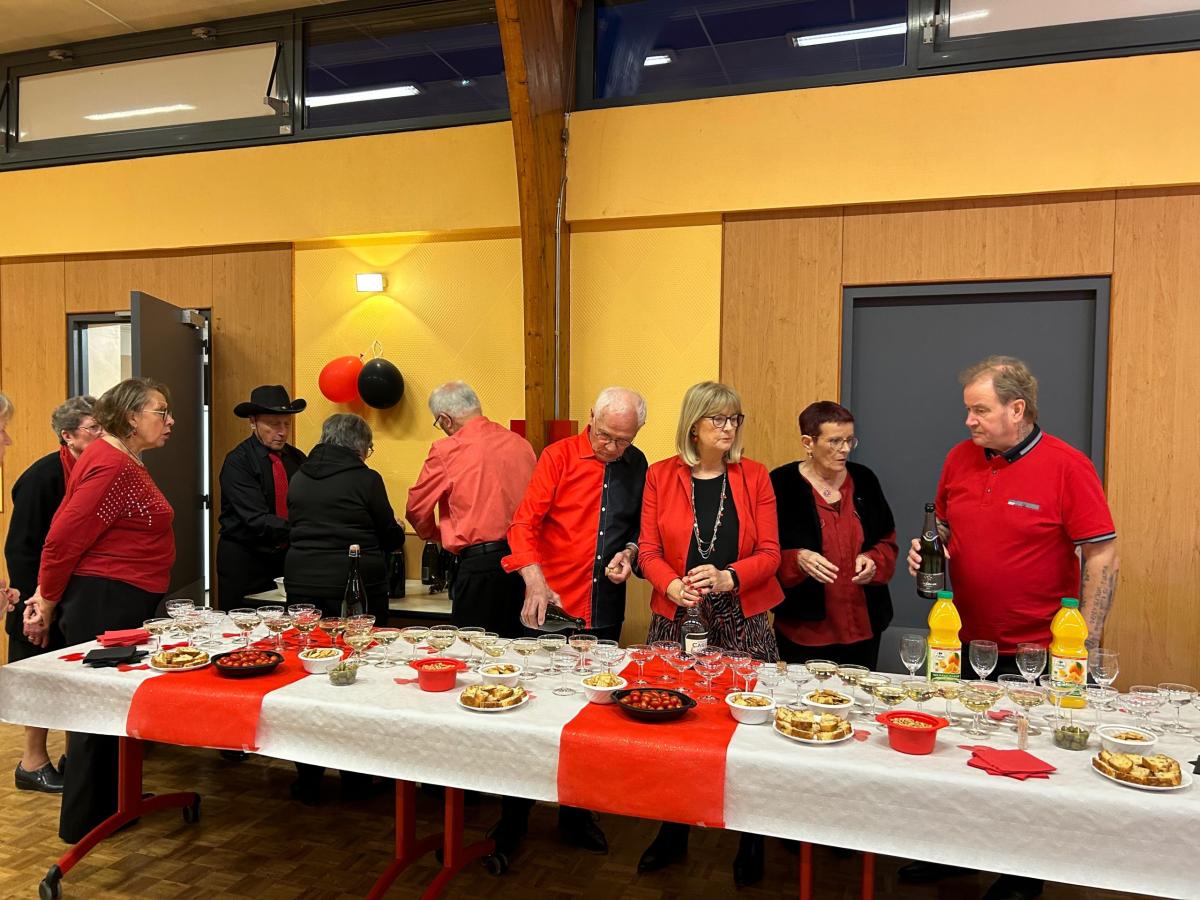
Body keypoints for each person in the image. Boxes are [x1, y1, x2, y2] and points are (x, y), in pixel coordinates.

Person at [902, 356, 1118, 900]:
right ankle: (953, 855)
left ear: (1016, 409)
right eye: (968, 410)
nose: (968, 421)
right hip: (959, 641)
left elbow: (1102, 555)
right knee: (957, 753)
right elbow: (945, 525)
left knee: (1023, 765)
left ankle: (1021, 874)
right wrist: (926, 547)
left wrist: (1087, 645)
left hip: (1036, 650)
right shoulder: (959, 458)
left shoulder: (1068, 466)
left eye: (980, 410)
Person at [635, 381, 783, 887]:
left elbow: (771, 553)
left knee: (747, 725)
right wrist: (671, 585)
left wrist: (729, 577)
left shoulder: (754, 476)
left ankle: (751, 839)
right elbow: (648, 550)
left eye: (734, 419)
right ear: (693, 425)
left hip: (742, 614)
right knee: (674, 723)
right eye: (718, 419)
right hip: (677, 615)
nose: (728, 428)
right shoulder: (660, 475)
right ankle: (672, 830)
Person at [494, 386, 649, 859]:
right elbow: (523, 524)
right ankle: (512, 818)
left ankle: (576, 814)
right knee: (532, 715)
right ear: (591, 419)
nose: (612, 447)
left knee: (592, 717)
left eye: (623, 440)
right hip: (552, 607)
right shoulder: (558, 457)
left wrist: (629, 553)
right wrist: (534, 581)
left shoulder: (637, 464)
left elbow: (639, 529)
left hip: (603, 610)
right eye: (605, 436)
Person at [22, 378, 176, 844]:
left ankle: (114, 804)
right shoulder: (112, 463)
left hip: (119, 596)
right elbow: (62, 537)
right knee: (95, 711)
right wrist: (45, 601)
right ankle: (85, 821)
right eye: (161, 412)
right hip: (104, 599)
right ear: (131, 417)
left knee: (111, 709)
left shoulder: (121, 458)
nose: (169, 421)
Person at [284, 413, 404, 805]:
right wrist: (396, 528)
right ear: (359, 447)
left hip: (302, 582)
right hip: (354, 586)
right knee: (357, 675)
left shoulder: (299, 476)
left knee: (307, 675)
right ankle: (356, 777)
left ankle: (307, 777)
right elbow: (389, 536)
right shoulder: (366, 479)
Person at [5, 396, 100, 794]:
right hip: (35, 595)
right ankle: (32, 763)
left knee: (70, 680)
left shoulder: (97, 470)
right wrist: (37, 608)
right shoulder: (42, 476)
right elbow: (21, 548)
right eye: (93, 428)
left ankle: (73, 758)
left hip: (73, 595)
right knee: (38, 679)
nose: (101, 435)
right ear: (68, 436)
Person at [770, 401, 897, 669]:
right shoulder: (781, 484)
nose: (845, 449)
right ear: (808, 443)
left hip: (863, 626)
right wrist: (797, 559)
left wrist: (873, 560)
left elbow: (887, 540)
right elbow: (764, 550)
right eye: (835, 441)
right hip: (804, 631)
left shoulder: (865, 479)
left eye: (850, 440)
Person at [405, 381, 535, 636]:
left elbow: (416, 508)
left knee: (473, 651)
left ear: (445, 419)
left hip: (479, 567)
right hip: (526, 565)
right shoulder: (521, 444)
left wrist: (435, 534)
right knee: (519, 650)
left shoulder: (447, 450)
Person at [217, 385, 307, 607]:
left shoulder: (297, 459)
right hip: (246, 560)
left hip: (286, 559)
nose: (282, 431)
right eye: (274, 424)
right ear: (253, 422)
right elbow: (255, 518)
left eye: (286, 423)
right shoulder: (238, 461)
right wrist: (304, 531)